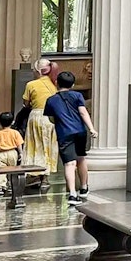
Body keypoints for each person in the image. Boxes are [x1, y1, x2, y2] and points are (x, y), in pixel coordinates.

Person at [43, 72, 98, 206]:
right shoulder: (77, 96)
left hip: (64, 133)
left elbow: (50, 118)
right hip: (80, 131)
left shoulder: (51, 100)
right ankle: (84, 187)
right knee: (81, 158)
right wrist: (91, 128)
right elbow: (83, 112)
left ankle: (72, 194)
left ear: (56, 83)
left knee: (69, 164)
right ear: (72, 85)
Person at [22, 59, 58, 189]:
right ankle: (45, 179)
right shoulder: (55, 84)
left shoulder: (31, 84)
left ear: (38, 70)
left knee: (35, 146)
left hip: (37, 116)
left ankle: (35, 174)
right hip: (52, 118)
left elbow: (26, 103)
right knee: (48, 146)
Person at [0, 111, 23, 196]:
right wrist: (21, 154)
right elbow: (19, 144)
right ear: (12, 122)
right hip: (12, 153)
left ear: (0, 123)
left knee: (1, 171)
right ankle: (12, 187)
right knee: (12, 170)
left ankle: (1, 187)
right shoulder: (15, 133)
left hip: (1, 154)